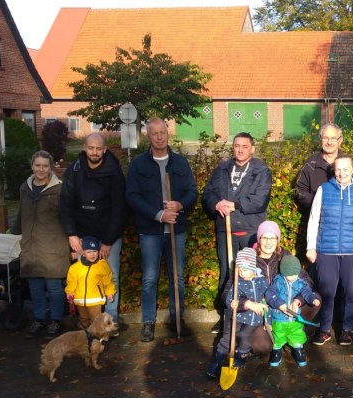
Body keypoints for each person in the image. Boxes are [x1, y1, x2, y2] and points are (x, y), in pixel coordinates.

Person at [127, 119, 199, 342]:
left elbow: (192, 192)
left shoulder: (180, 163)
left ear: (168, 134)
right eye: (154, 133)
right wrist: (158, 215)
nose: (159, 137)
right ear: (148, 135)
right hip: (151, 230)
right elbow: (132, 196)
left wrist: (180, 205)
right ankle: (148, 322)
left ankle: (177, 318)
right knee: (150, 278)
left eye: (162, 133)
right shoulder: (139, 165)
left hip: (176, 230)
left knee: (177, 277)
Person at [202, 132, 272, 334]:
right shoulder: (223, 169)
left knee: (253, 274)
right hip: (227, 229)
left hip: (250, 230)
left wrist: (235, 204)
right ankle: (227, 316)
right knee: (227, 273)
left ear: (252, 148)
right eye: (236, 146)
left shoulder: (261, 170)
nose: (240, 150)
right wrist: (216, 204)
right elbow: (208, 194)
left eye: (244, 146)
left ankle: (256, 316)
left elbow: (260, 200)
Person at [59, 133, 126, 324]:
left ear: (105, 150)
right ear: (84, 148)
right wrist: (72, 234)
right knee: (83, 276)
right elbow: (66, 203)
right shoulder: (75, 169)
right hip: (82, 233)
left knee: (110, 274)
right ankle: (86, 321)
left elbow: (119, 207)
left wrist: (108, 240)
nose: (94, 152)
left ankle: (109, 321)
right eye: (91, 148)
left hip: (107, 232)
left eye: (98, 149)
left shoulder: (114, 172)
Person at [306, 153, 353, 346]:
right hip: (326, 250)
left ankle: (346, 330)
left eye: (345, 169)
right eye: (338, 169)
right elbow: (314, 219)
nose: (341, 173)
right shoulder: (324, 190)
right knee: (327, 292)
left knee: (351, 292)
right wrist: (311, 246)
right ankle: (324, 329)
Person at [14, 151, 71, 340]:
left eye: (45, 166)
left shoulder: (60, 189)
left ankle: (55, 320)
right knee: (35, 286)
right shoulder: (24, 188)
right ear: (32, 166)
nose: (41, 169)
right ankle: (39, 319)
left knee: (54, 286)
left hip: (53, 246)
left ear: (51, 168)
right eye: (37, 165)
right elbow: (21, 214)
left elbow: (68, 216)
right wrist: (13, 234)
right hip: (31, 247)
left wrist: (73, 238)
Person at [206, 248, 270, 379]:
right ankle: (218, 362)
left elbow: (267, 302)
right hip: (238, 317)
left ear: (253, 268)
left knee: (244, 335)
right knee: (227, 338)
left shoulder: (262, 282)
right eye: (239, 270)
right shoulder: (237, 282)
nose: (242, 273)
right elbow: (230, 297)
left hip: (254, 319)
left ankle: (241, 355)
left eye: (245, 269)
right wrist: (233, 303)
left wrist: (268, 322)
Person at [264, 254, 320, 367]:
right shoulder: (278, 282)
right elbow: (269, 294)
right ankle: (276, 352)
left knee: (297, 334)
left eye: (296, 273)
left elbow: (307, 292)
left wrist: (313, 299)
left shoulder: (300, 282)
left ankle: (298, 350)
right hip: (279, 317)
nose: (294, 276)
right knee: (278, 335)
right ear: (284, 272)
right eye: (290, 275)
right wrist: (279, 304)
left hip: (294, 318)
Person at [65, 236, 115, 329]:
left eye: (95, 251)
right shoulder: (75, 267)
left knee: (96, 320)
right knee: (83, 319)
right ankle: (86, 335)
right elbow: (71, 282)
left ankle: (98, 337)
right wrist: (69, 292)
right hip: (79, 300)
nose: (92, 254)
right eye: (89, 252)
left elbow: (108, 280)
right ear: (83, 253)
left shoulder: (102, 265)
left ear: (98, 252)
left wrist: (109, 292)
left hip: (95, 300)